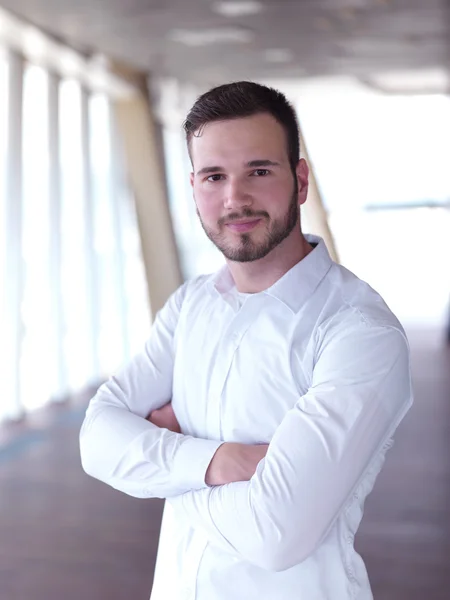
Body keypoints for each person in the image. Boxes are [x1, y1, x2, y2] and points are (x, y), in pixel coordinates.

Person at [80, 81, 413, 600]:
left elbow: (274, 532)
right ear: (194, 188)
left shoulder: (359, 333)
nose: (235, 198)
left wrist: (156, 464)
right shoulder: (191, 305)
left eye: (259, 171)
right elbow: (95, 439)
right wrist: (217, 463)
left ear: (300, 180)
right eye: (215, 176)